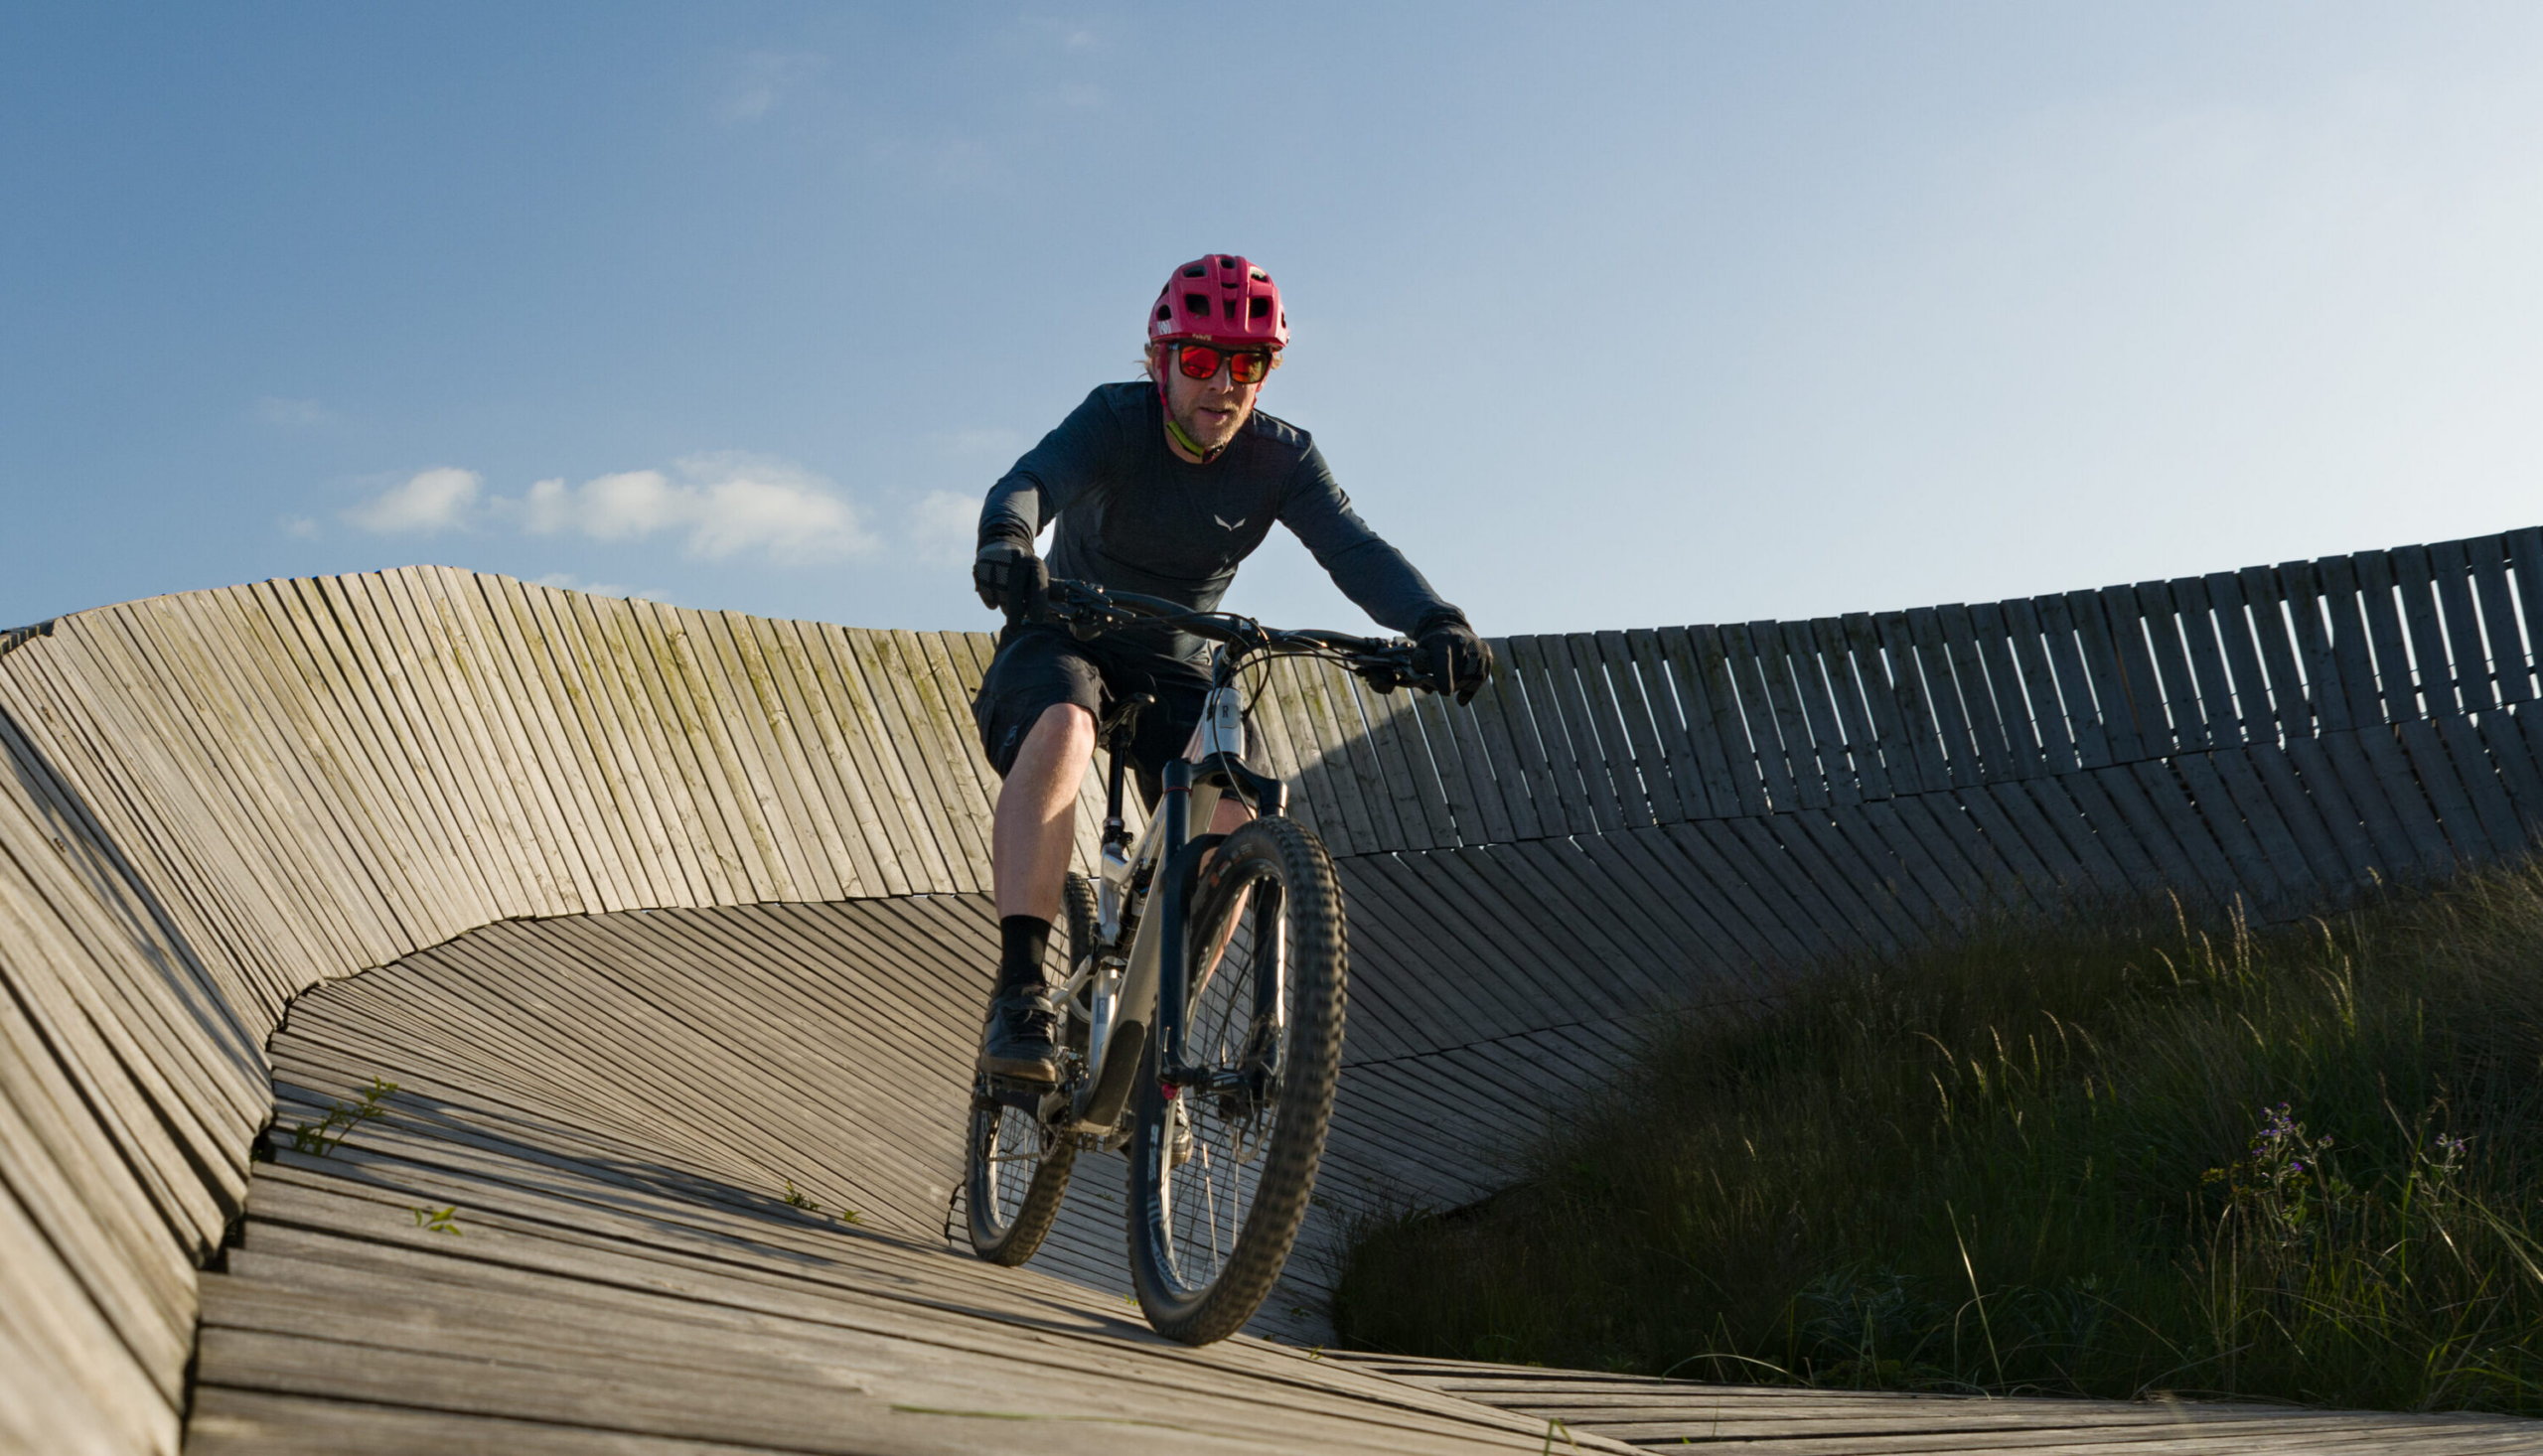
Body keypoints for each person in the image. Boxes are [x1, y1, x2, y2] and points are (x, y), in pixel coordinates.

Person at [968, 253, 1491, 1083]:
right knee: (1066, 726)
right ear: (1159, 360)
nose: (1224, 385)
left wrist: (1433, 620)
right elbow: (1030, 481)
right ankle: (1023, 991)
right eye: (1202, 361)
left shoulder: (1282, 459)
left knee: (1238, 820)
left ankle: (1152, 1038)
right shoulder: (1114, 420)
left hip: (1181, 662)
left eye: (1246, 364)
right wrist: (1007, 538)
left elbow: (1351, 549)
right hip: (1067, 635)